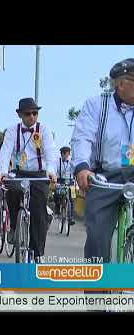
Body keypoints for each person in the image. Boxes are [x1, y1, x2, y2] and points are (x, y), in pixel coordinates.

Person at [71, 58, 134, 263]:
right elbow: (82, 138)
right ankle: (97, 293)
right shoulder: (97, 105)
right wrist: (82, 168)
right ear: (120, 84)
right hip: (104, 177)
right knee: (97, 239)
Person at [0, 98, 57, 263]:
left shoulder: (44, 130)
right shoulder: (12, 131)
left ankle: (37, 253)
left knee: (38, 211)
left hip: (39, 175)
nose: (32, 117)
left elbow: (51, 152)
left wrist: (51, 171)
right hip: (18, 173)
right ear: (19, 114)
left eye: (35, 113)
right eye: (28, 113)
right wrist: (3, 171)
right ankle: (15, 228)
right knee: (11, 191)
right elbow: (5, 152)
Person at [53, 146, 75, 226]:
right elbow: (54, 171)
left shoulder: (71, 162)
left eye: (68, 154)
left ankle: (71, 217)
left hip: (70, 181)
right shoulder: (57, 162)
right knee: (56, 194)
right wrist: (55, 181)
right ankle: (57, 210)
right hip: (60, 180)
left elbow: (75, 171)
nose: (67, 156)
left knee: (72, 198)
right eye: (65, 154)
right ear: (62, 154)